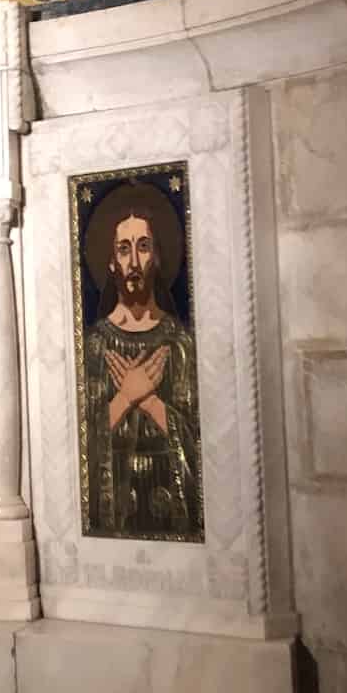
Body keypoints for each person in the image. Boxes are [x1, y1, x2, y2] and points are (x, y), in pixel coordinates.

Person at [81, 190, 200, 539]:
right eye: (123, 249)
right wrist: (125, 398)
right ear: (111, 262)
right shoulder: (95, 346)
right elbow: (79, 444)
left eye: (143, 246)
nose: (133, 262)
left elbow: (200, 441)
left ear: (158, 257)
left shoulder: (178, 344)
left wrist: (148, 401)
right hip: (113, 505)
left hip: (170, 507)